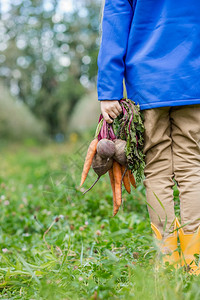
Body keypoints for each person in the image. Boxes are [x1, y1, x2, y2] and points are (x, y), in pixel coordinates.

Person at [97, 0, 200, 273]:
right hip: (193, 76)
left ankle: (168, 256)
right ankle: (194, 257)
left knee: (156, 169)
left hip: (148, 82)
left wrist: (108, 89)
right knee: (192, 166)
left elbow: (115, 24)